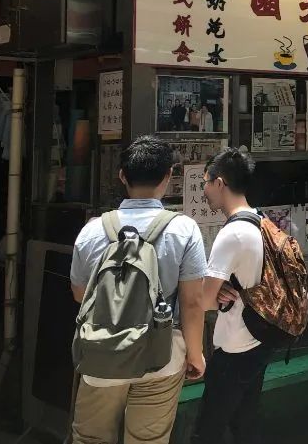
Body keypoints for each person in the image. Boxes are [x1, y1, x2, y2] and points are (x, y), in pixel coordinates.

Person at [69, 135, 207, 444]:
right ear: (168, 176)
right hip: (162, 355)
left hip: (101, 354)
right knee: (147, 439)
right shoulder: (184, 229)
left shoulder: (92, 230)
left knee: (90, 438)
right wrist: (195, 353)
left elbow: (80, 295)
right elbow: (192, 302)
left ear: (122, 176)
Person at [192, 148, 269, 443]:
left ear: (220, 183)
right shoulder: (260, 220)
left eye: (206, 183)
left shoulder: (232, 234)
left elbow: (204, 300)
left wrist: (210, 291)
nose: (204, 191)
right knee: (244, 427)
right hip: (258, 341)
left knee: (206, 432)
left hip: (233, 347)